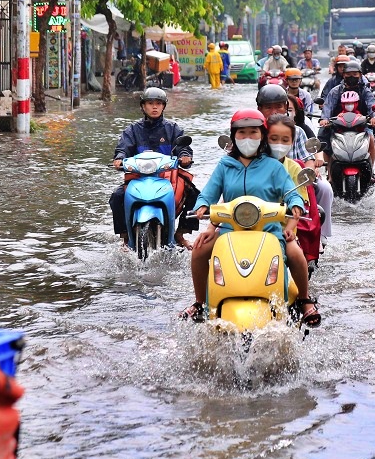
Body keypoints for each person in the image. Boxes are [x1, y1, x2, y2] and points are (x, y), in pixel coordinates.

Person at [183, 109, 320, 326]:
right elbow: (209, 193)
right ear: (234, 136)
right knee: (199, 250)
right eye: (242, 133)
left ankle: (304, 299)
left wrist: (294, 204)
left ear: (262, 135)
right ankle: (201, 302)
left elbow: (291, 191)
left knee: (295, 252)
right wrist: (201, 205)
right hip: (230, 230)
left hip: (269, 230)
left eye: (253, 133)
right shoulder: (224, 166)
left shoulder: (273, 166)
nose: (247, 138)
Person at [110, 87, 196, 246]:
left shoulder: (173, 128)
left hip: (168, 178)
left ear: (164, 106)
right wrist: (119, 158)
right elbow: (123, 147)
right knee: (116, 197)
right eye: (150, 103)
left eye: (158, 103)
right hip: (138, 177)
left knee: (195, 194)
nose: (154, 107)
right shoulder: (133, 130)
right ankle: (125, 237)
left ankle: (180, 234)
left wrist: (185, 156)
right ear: (143, 106)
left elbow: (182, 147)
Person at [257, 84, 335, 245]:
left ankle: (320, 234)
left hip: (295, 180)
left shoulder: (297, 130)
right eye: (268, 107)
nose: (274, 111)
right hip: (260, 181)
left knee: (325, 188)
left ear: (286, 107)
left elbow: (308, 159)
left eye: (278, 106)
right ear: (260, 109)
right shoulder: (254, 131)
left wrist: (307, 172)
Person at [320, 60, 375, 170]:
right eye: (348, 74)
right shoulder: (335, 91)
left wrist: (374, 117)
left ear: (360, 75)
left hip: (361, 125)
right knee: (326, 141)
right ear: (343, 75)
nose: (351, 76)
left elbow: (372, 104)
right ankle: (329, 171)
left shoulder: (365, 91)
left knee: (371, 138)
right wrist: (325, 119)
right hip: (338, 125)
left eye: (354, 74)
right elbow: (328, 106)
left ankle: (370, 169)